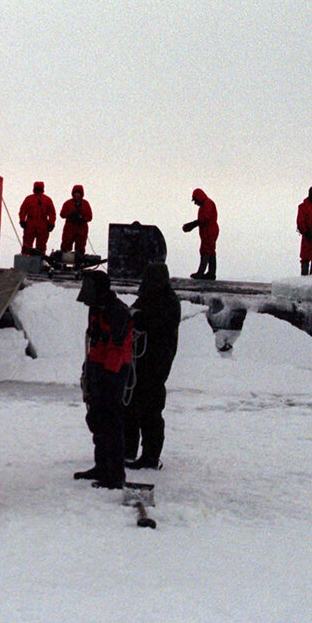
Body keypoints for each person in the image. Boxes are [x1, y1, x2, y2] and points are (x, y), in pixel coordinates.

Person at [74, 270, 133, 489]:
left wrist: (108, 375)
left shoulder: (117, 312)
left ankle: (115, 474)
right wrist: (89, 368)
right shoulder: (96, 308)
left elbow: (117, 347)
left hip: (114, 370)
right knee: (97, 418)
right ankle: (102, 466)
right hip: (98, 367)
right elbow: (95, 341)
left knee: (111, 422)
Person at [124, 262, 180, 470]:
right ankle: (129, 450)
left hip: (156, 362)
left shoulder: (168, 302)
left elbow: (148, 320)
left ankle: (150, 455)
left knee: (150, 409)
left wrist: (135, 316)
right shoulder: (149, 297)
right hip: (140, 361)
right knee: (130, 406)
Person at [182, 188, 219, 280]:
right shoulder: (205, 205)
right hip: (208, 231)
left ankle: (201, 272)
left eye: (195, 200)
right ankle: (211, 273)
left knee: (206, 250)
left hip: (210, 231)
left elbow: (204, 219)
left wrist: (192, 224)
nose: (195, 203)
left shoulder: (208, 204)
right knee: (210, 251)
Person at [18, 181, 56, 255]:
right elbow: (23, 210)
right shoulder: (29, 199)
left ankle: (39, 263)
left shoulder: (47, 200)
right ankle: (26, 261)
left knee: (41, 246)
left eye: (39, 188)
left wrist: (51, 223)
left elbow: (52, 213)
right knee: (27, 245)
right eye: (37, 188)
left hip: (42, 224)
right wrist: (22, 220)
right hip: (30, 224)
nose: (38, 190)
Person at [58, 184, 93, 264]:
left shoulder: (85, 204)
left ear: (81, 194)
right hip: (70, 227)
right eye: (75, 193)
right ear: (73, 193)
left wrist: (81, 219)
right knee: (66, 245)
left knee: (80, 247)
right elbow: (62, 214)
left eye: (78, 193)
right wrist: (71, 214)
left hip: (81, 228)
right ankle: (64, 263)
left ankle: (78, 264)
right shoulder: (68, 203)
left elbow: (90, 217)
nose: (77, 195)